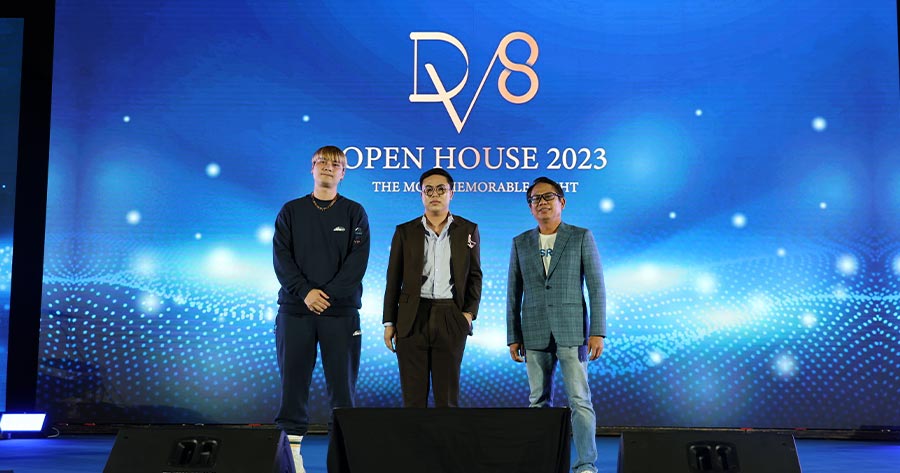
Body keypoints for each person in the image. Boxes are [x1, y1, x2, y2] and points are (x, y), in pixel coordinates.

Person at [273, 145, 370, 472]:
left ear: (343, 173)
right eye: (322, 162)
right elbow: (281, 259)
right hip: (295, 312)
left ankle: (342, 461)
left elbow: (357, 263)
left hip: (340, 314)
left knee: (342, 392)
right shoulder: (291, 211)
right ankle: (292, 461)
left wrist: (325, 295)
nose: (328, 167)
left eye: (335, 164)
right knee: (292, 389)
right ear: (312, 168)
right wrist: (305, 293)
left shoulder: (354, 212)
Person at [506, 176, 606, 473]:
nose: (542, 203)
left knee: (580, 400)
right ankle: (542, 461)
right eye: (535, 199)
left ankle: (585, 464)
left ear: (562, 201)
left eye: (548, 197)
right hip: (534, 330)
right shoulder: (520, 242)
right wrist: (513, 335)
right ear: (530, 207)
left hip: (573, 331)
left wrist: (597, 331)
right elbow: (513, 293)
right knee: (537, 401)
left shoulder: (580, 236)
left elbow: (596, 287)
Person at [383, 168, 482, 407]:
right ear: (421, 195)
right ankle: (416, 435)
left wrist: (468, 315)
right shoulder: (405, 232)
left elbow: (475, 276)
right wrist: (389, 322)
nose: (434, 194)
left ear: (451, 193)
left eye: (441, 189)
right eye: (428, 190)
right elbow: (393, 279)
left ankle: (445, 435)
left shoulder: (468, 230)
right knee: (413, 398)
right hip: (412, 317)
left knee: (447, 398)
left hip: (451, 316)